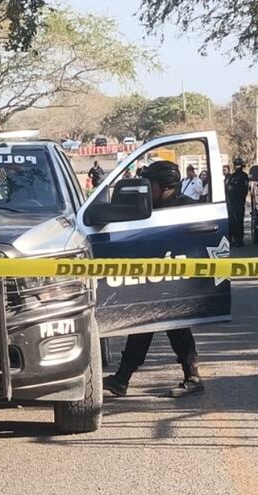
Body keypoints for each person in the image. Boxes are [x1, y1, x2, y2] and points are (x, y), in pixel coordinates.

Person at [103, 160, 204, 399]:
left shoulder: (184, 209)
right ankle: (122, 378)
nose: (146, 189)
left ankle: (193, 377)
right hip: (153, 279)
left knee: (175, 327)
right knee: (143, 325)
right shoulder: (148, 209)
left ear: (164, 185)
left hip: (174, 280)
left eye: (150, 184)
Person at [225, 157, 250, 247]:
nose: (237, 166)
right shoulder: (232, 176)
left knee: (239, 221)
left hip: (239, 202)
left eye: (239, 164)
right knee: (231, 222)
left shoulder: (244, 176)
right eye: (236, 164)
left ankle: (239, 240)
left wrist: (234, 189)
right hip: (230, 202)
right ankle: (232, 239)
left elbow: (244, 190)